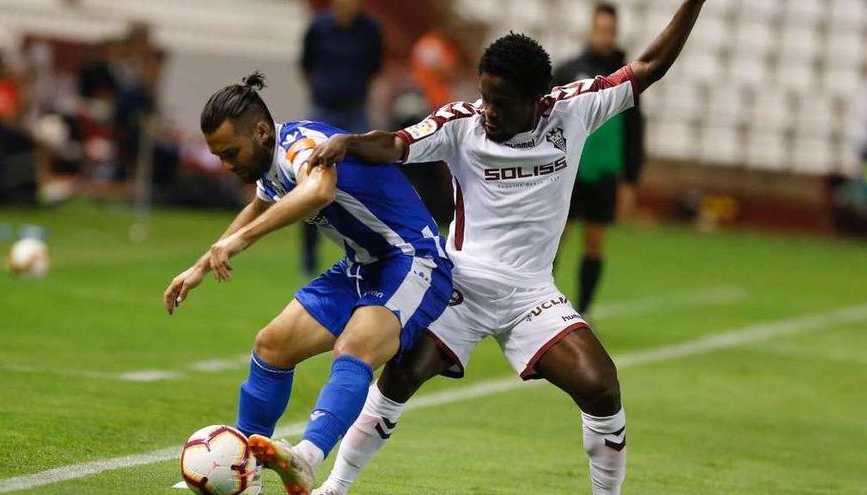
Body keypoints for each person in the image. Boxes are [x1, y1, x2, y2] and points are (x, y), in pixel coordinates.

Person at [307, 2, 706, 494]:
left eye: (500, 102)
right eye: (484, 95)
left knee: (601, 387)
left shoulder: (574, 108)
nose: (487, 110)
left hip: (530, 294)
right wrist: (348, 143)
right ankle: (334, 487)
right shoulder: (461, 125)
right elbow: (394, 143)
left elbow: (648, 67)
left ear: (537, 101)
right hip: (459, 285)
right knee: (400, 377)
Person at [162, 73, 453, 495]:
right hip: (363, 264)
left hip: (413, 259)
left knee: (354, 347)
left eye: (230, 152)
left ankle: (307, 459)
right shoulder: (271, 160)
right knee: (272, 345)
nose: (226, 166)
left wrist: (242, 240)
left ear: (261, 131)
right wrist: (200, 266)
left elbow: (319, 191)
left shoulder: (301, 144)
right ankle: (244, 466)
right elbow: (259, 204)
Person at [552, 2, 645, 315]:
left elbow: (634, 130)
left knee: (594, 240)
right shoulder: (567, 71)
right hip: (568, 170)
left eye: (609, 31)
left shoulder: (627, 77)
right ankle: (539, 305)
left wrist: (630, 180)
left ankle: (584, 309)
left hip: (604, 172)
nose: (604, 35)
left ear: (615, 33)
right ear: (591, 29)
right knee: (554, 238)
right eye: (599, 29)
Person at [299, 0, 384, 277]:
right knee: (308, 180)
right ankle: (309, 255)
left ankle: (371, 252)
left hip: (354, 115)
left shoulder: (370, 29)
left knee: (367, 181)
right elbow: (305, 64)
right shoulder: (319, 27)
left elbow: (374, 67)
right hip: (322, 111)